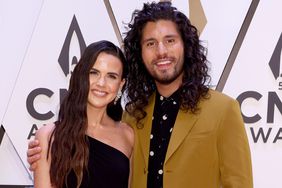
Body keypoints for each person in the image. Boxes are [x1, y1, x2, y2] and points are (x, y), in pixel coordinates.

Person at [27, 1, 253, 188]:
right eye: (151, 43)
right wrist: (46, 149)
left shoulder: (223, 110)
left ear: (186, 46)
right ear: (140, 53)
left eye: (170, 41)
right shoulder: (133, 116)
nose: (161, 51)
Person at [32, 40, 134, 188]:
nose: (101, 83)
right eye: (94, 73)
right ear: (81, 75)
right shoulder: (48, 136)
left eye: (111, 76)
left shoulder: (128, 135)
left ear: (121, 84)